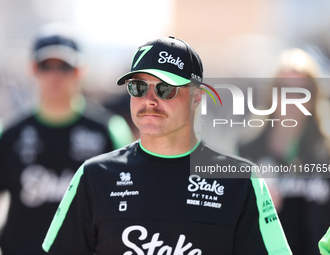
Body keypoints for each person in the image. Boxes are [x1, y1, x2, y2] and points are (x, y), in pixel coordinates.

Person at [42, 36, 292, 255]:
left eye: (165, 89)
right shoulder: (94, 175)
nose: (149, 100)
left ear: (196, 97)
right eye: (138, 87)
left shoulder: (241, 179)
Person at [0, 23, 134, 255]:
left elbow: (128, 205)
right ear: (32, 69)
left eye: (64, 66)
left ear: (80, 70)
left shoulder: (108, 130)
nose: (55, 75)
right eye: (46, 66)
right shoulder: (9, 134)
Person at [238, 48, 330, 255]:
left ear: (314, 97)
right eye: (284, 90)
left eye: (301, 91)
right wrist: (255, 203)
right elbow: (236, 217)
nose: (292, 99)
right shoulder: (249, 149)